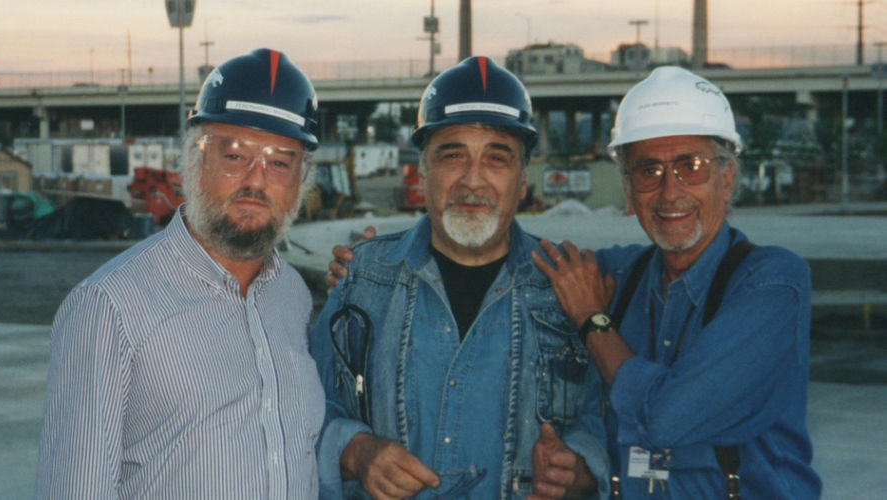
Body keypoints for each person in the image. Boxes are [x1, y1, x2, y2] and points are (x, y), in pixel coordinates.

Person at [310, 56, 609, 500]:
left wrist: (579, 468)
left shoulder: (567, 288)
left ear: (523, 179)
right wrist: (356, 451)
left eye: (497, 158)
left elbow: (601, 417)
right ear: (424, 169)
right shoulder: (362, 280)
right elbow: (303, 413)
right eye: (453, 155)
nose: (473, 180)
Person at [35, 48, 326, 498]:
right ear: (194, 160)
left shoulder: (292, 296)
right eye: (234, 155)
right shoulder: (109, 307)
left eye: (280, 161)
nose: (256, 179)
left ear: (301, 180)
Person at [529, 66, 822, 498]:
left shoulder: (771, 284)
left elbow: (668, 418)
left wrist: (594, 322)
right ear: (628, 193)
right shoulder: (622, 276)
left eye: (692, 166)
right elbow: (523, 267)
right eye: (649, 170)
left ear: (726, 178)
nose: (670, 192)